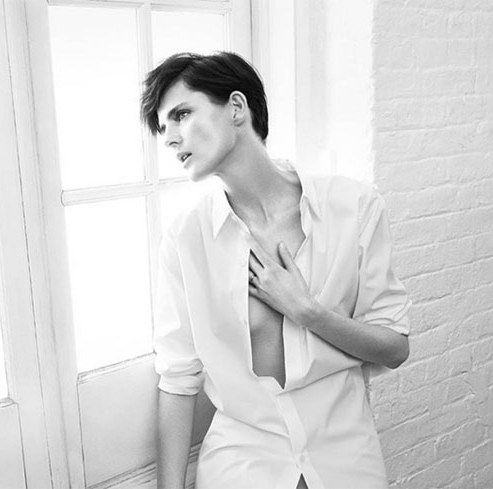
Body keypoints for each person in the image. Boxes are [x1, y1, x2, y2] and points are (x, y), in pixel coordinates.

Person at [141, 52, 411, 489]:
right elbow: (177, 378)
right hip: (241, 463)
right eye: (163, 128)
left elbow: (395, 348)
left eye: (182, 115)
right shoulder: (186, 237)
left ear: (236, 107)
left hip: (345, 455)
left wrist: (309, 312)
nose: (170, 138)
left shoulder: (354, 208)